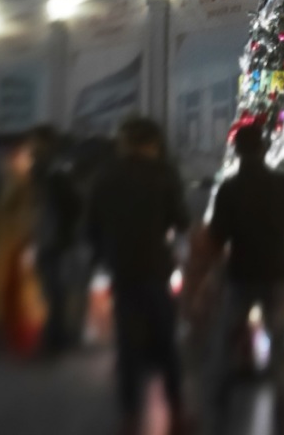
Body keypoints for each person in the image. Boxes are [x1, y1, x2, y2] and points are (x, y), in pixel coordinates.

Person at [86, 115, 194, 435]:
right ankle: (177, 414)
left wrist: (104, 255)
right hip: (156, 268)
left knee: (128, 349)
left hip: (122, 269)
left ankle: (130, 418)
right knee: (166, 345)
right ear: (154, 143)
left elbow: (92, 226)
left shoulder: (106, 176)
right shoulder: (164, 173)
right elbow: (183, 220)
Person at [203, 121, 284, 435]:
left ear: (237, 152)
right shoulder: (283, 184)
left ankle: (219, 405)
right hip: (276, 270)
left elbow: (217, 235)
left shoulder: (229, 188)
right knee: (279, 342)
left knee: (227, 339)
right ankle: (283, 407)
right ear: (264, 149)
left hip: (240, 272)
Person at [0, 132, 48, 358]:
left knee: (11, 289)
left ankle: (5, 332)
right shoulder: (16, 179)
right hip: (13, 242)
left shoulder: (10, 178)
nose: (29, 158)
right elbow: (13, 211)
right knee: (15, 290)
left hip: (9, 243)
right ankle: (12, 335)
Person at [29, 123, 82, 355]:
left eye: (36, 141)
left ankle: (55, 340)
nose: (33, 146)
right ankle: (56, 337)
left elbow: (72, 205)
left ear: (47, 143)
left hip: (54, 239)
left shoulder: (55, 171)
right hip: (46, 238)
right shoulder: (42, 170)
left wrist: (63, 232)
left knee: (55, 291)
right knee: (51, 290)